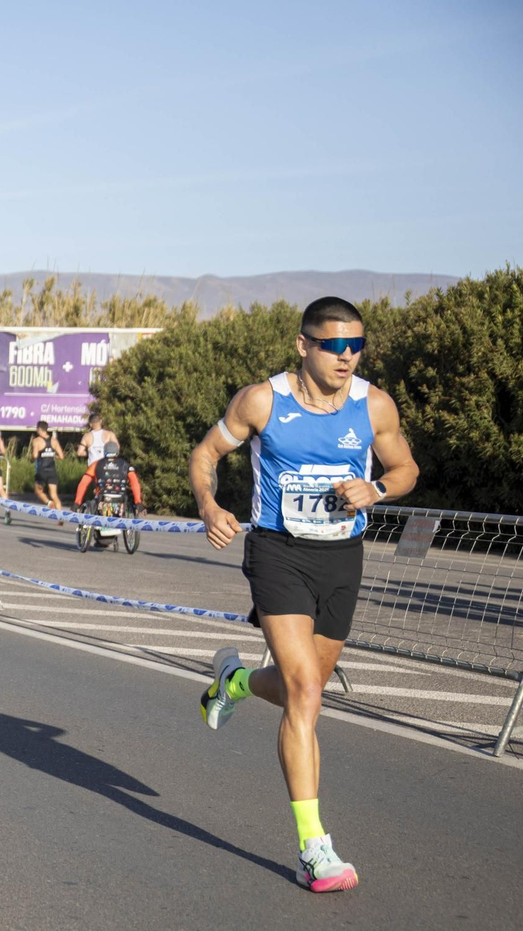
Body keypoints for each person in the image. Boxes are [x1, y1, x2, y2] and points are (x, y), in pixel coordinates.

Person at [189, 296, 419, 894]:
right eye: (333, 345)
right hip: (278, 552)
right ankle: (314, 849)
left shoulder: (374, 405)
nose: (346, 357)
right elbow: (205, 455)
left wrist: (378, 488)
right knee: (306, 692)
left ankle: (232, 683)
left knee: (304, 688)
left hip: (342, 558)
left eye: (356, 346)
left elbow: (407, 469)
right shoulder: (263, 400)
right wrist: (210, 504)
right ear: (303, 345)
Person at [29, 420, 64, 521]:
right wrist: (53, 455)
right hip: (52, 470)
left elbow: (35, 455)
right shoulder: (54, 441)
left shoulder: (36, 441)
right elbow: (61, 456)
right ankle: (61, 518)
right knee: (54, 494)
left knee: (38, 490)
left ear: (39, 429)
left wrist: (31, 460)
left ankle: (48, 503)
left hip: (42, 471)